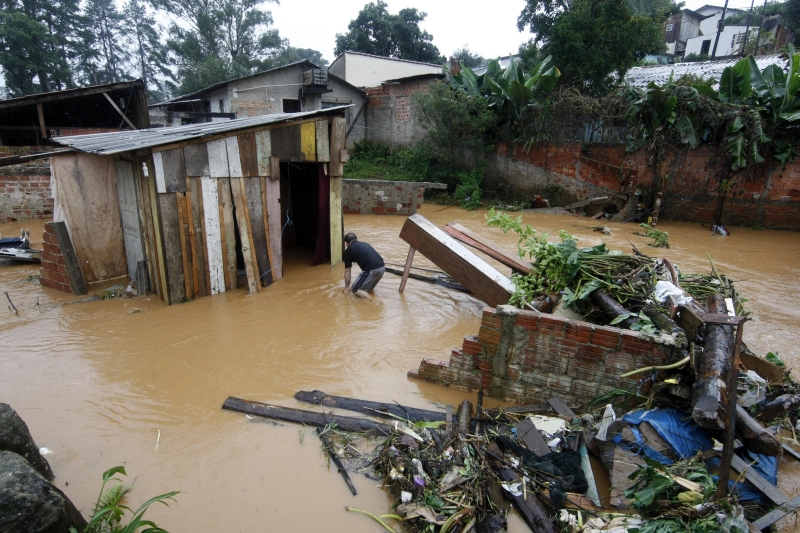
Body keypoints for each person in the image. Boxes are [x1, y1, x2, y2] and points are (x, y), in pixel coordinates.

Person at [342, 233, 385, 298]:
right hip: (382, 267)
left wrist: (346, 287)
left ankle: (373, 302)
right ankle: (368, 304)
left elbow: (347, 271)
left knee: (355, 289)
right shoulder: (365, 244)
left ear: (346, 243)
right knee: (367, 289)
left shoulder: (348, 251)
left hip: (371, 269)